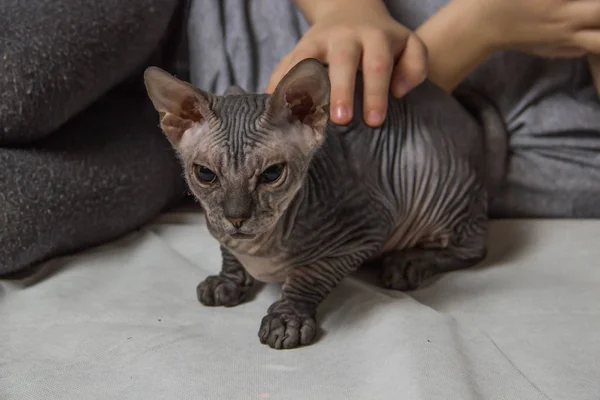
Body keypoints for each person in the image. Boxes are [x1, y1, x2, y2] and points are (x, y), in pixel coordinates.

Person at [1, 0, 599, 275]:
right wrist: (347, 10)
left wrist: (480, 24)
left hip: (188, 158)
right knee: (16, 82)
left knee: (16, 217)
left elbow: (375, 165)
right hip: (186, 14)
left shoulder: (581, 157)